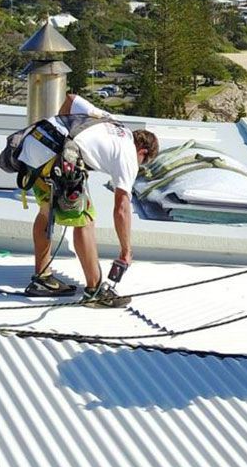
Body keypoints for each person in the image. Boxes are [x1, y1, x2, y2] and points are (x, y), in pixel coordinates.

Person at [25, 93, 159, 307]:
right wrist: (126, 251)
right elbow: (122, 209)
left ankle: (42, 279)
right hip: (54, 156)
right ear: (142, 151)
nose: (139, 166)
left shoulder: (111, 122)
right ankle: (95, 290)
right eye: (143, 161)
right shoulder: (129, 156)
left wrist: (64, 138)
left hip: (34, 144)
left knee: (46, 210)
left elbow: (71, 98)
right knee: (85, 221)